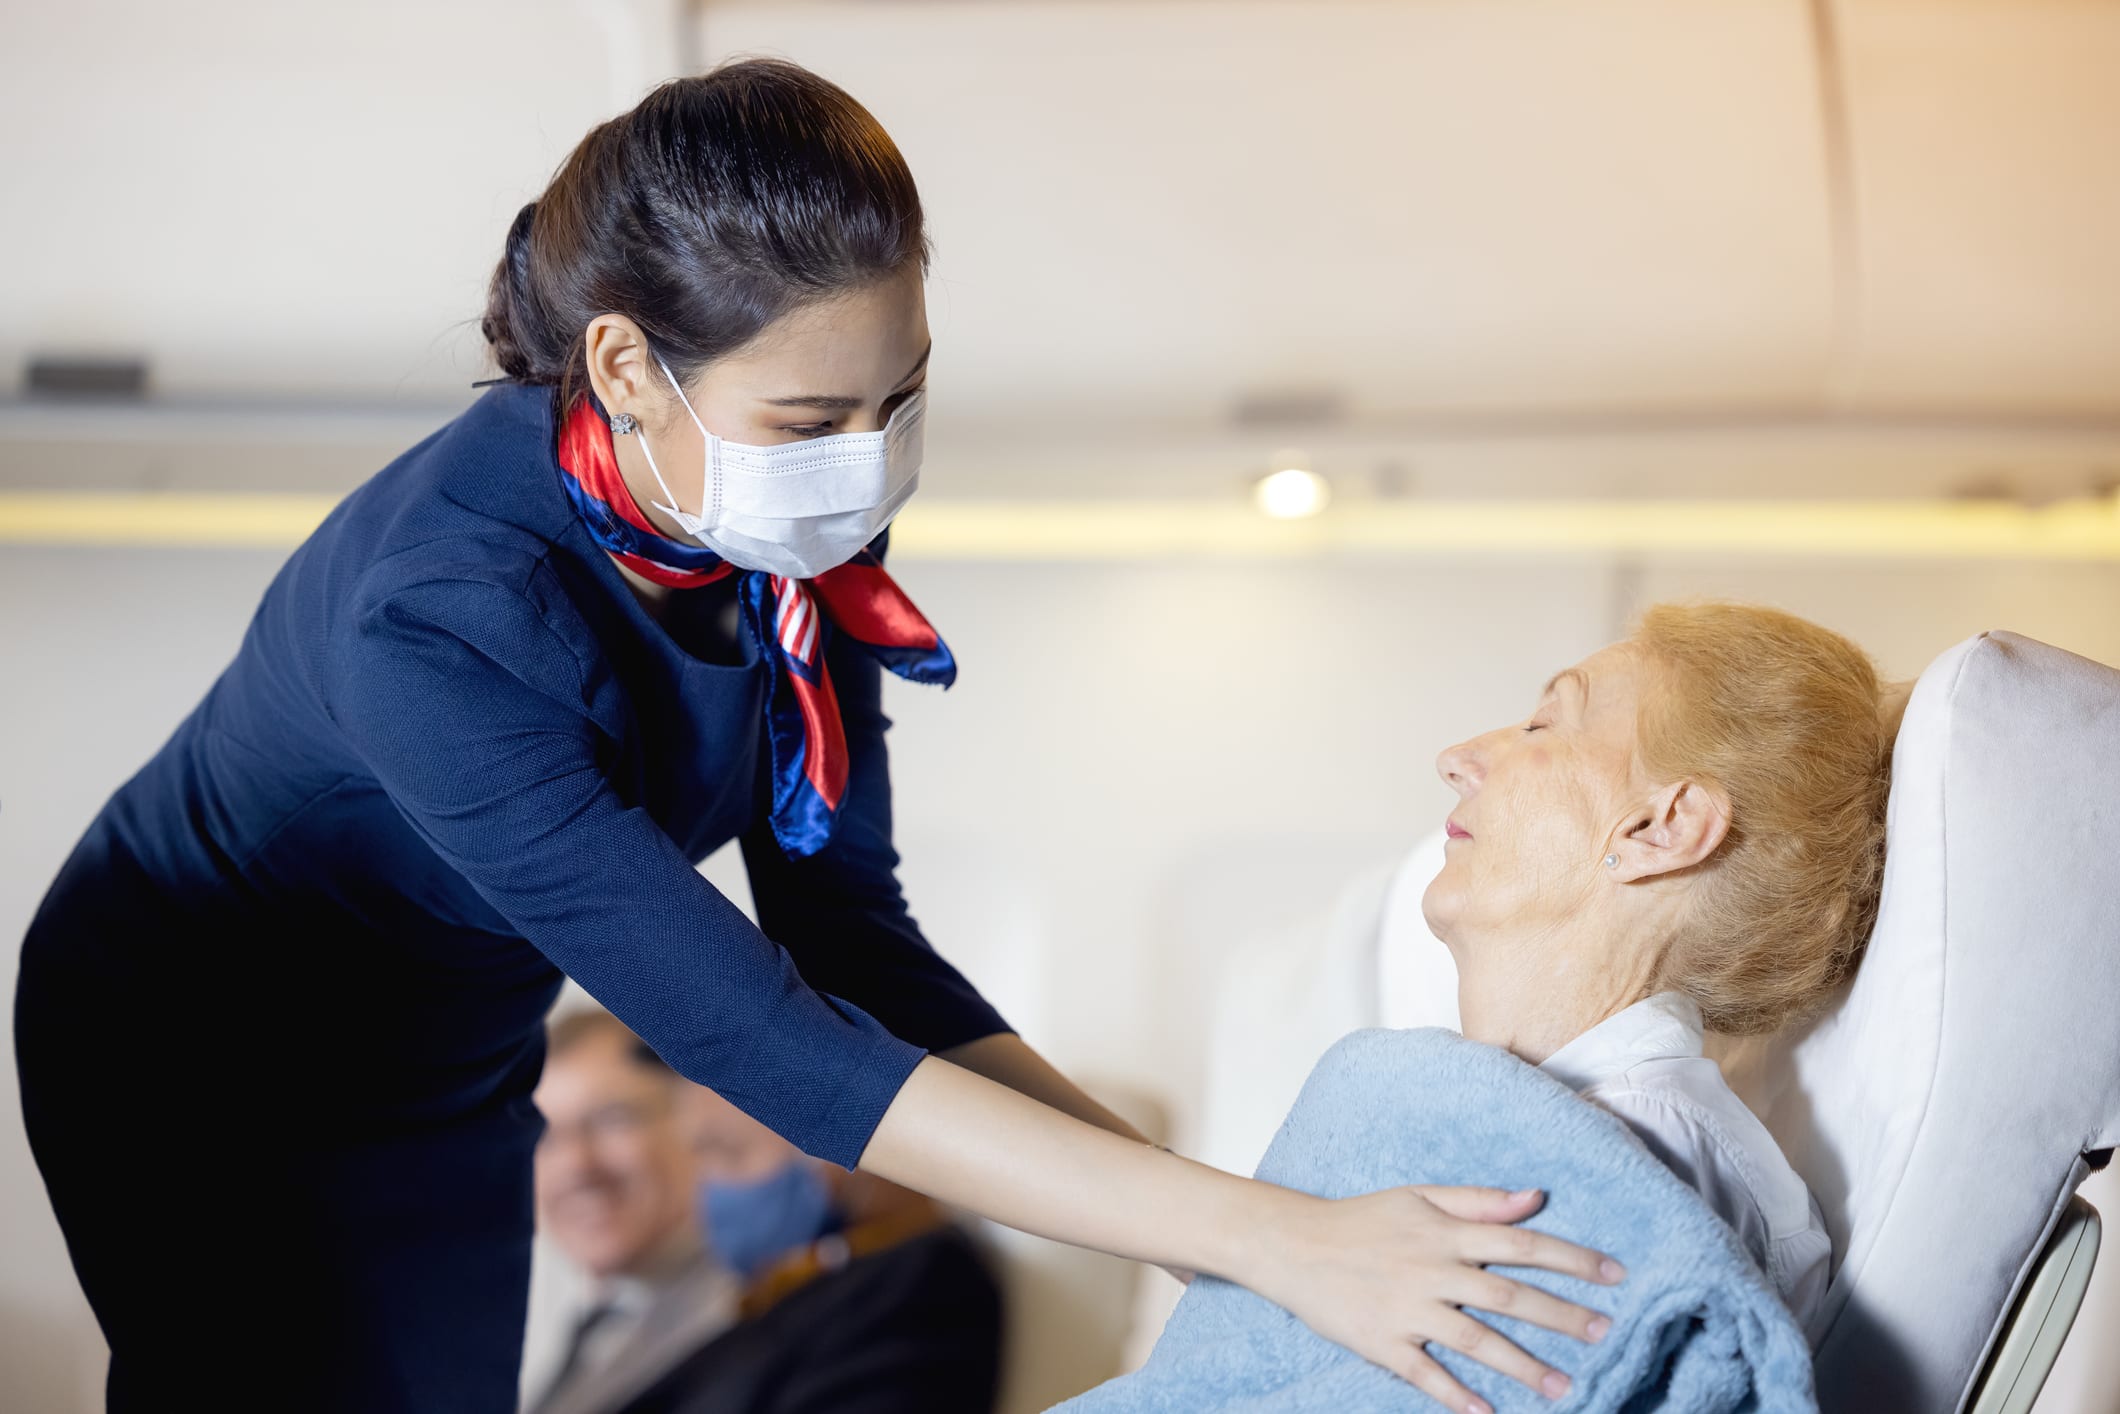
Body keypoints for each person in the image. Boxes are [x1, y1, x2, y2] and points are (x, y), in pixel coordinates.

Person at [13, 59, 1621, 1414]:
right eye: (808, 424)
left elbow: (854, 946)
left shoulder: (790, 552)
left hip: (445, 1056)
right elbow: (760, 1031)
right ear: (628, 368)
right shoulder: (440, 618)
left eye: (898, 404)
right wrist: (1267, 1241)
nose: (866, 472)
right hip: (201, 1045)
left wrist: (1235, 1222)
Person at [1421, 600, 1899, 1329]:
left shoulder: (1642, 1161)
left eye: (1541, 724)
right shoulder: (1577, 1126)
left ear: (1659, 829)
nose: (1456, 759)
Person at [527, 1009, 1001, 1414]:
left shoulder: (903, 1282)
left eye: (725, 1152)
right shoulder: (604, 1325)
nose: (574, 1164)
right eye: (542, 1137)